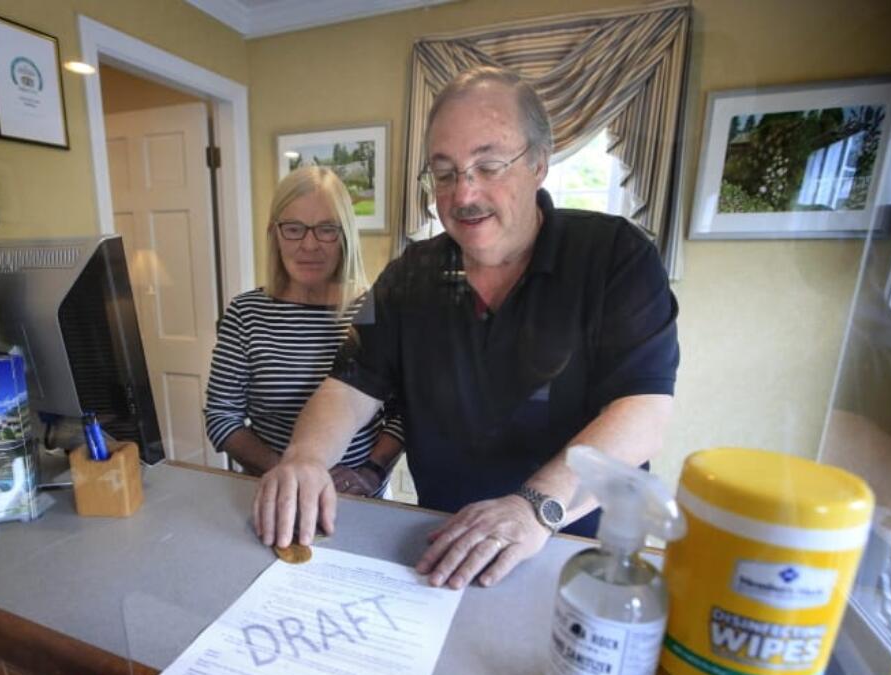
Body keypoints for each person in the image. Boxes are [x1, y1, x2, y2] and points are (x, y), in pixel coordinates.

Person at [253, 66, 679, 588]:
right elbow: (348, 385)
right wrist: (304, 459)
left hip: (578, 552)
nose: (463, 193)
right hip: (442, 548)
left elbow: (644, 411)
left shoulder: (616, 255)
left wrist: (532, 508)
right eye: (446, 171)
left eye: (489, 164)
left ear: (539, 164)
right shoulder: (409, 275)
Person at [205, 166, 403, 497]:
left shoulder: (375, 312)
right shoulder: (246, 312)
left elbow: (403, 414)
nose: (309, 245)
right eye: (294, 228)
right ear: (274, 233)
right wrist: (290, 473)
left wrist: (371, 471)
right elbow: (222, 415)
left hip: (357, 498)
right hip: (272, 491)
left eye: (326, 229)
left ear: (345, 236)